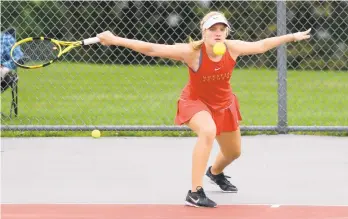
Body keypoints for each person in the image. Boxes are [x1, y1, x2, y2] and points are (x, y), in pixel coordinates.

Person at [97, 11, 311, 208]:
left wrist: (291, 36)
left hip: (224, 104)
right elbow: (152, 49)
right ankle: (194, 192)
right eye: (212, 29)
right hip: (195, 102)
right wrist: (115, 39)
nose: (217, 33)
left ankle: (215, 172)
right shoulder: (191, 52)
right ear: (204, 32)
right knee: (207, 131)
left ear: (226, 32)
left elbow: (262, 45)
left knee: (233, 152)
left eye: (221, 29)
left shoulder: (232, 47)